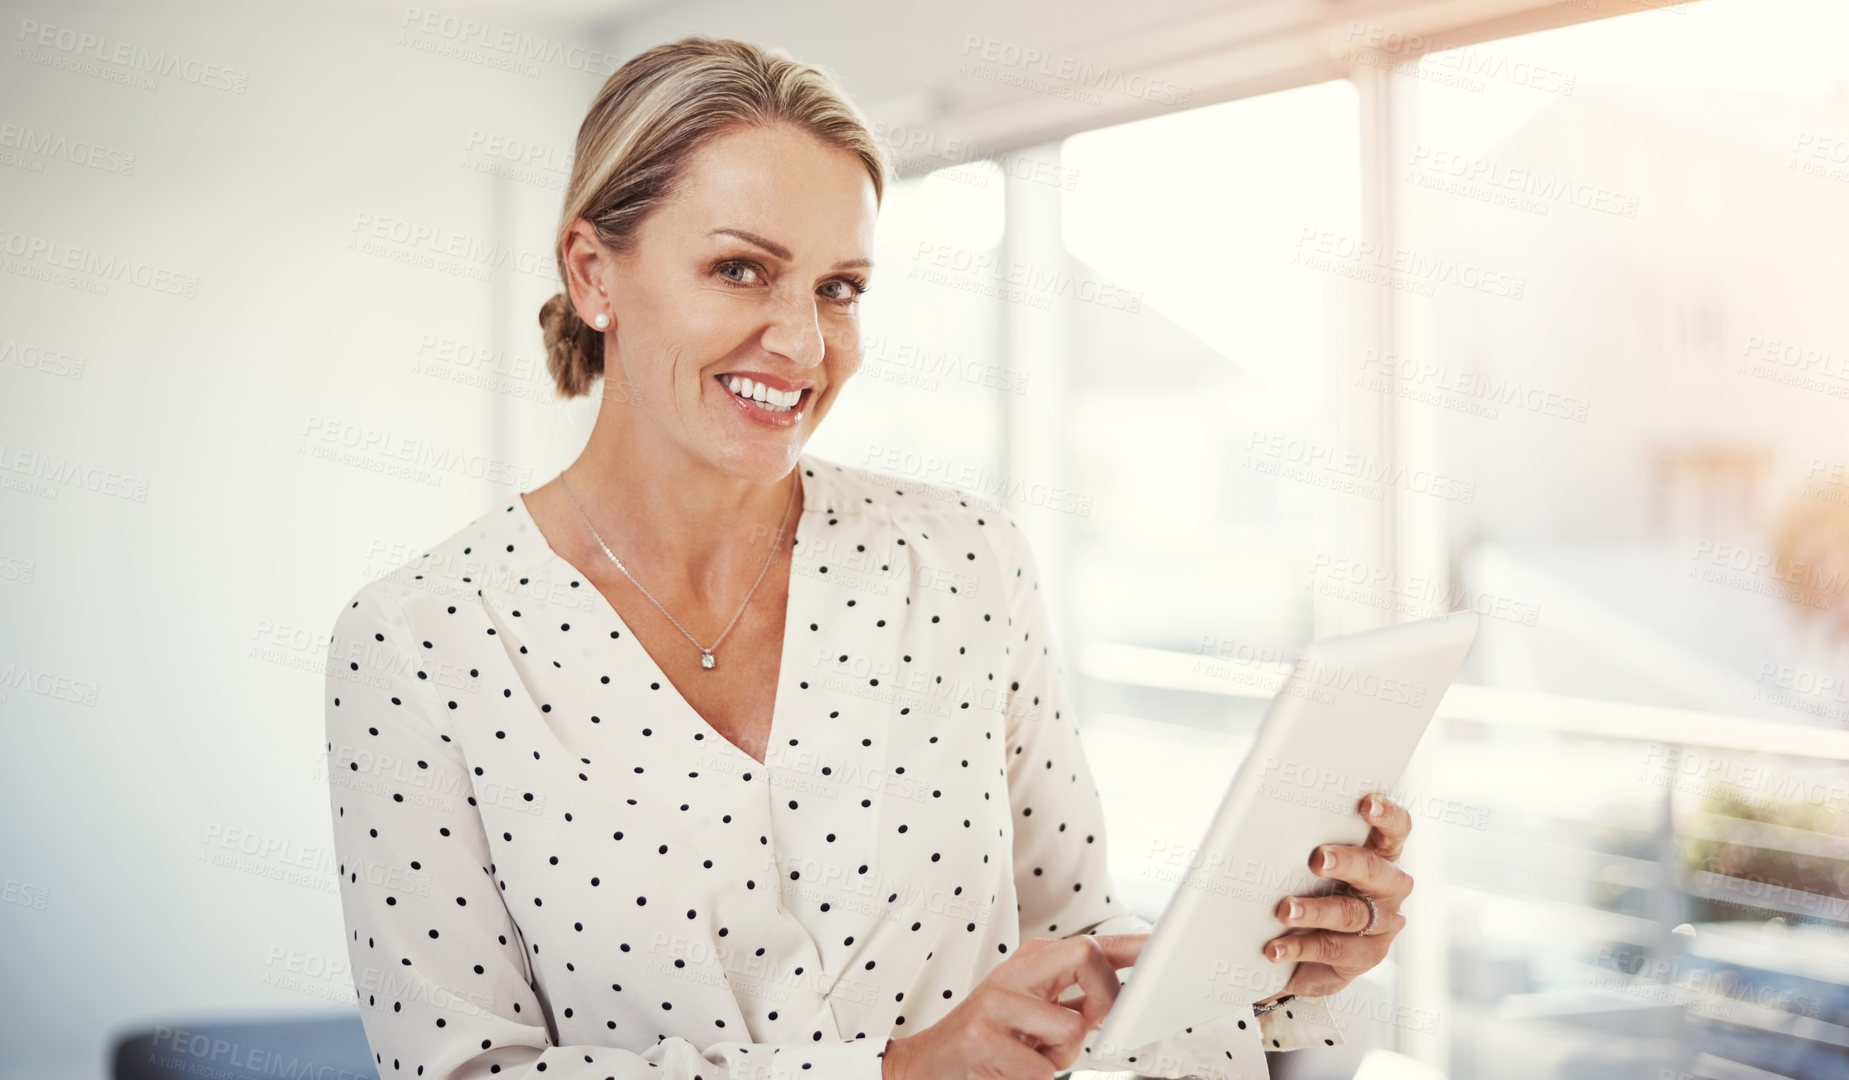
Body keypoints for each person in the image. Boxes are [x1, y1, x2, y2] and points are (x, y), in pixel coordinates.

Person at [323, 36, 1416, 1080]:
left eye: (839, 287)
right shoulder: (421, 643)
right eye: (740, 270)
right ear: (593, 273)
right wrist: (902, 1071)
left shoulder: (964, 562)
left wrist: (1270, 966)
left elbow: (1078, 937)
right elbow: (464, 1069)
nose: (803, 344)